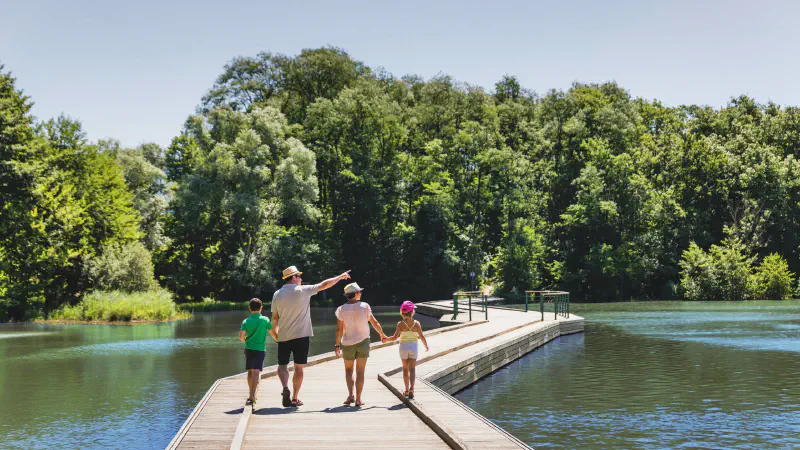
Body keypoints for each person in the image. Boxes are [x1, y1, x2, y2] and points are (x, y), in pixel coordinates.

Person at [271, 265, 351, 407]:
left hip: (283, 336)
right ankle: (295, 398)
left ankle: (285, 387)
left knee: (282, 366)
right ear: (294, 278)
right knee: (299, 368)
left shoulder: (277, 294)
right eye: (299, 276)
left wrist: (276, 336)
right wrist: (340, 277)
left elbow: (275, 319)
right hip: (301, 336)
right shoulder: (303, 290)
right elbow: (324, 284)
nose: (301, 279)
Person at [334, 282, 387, 407]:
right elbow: (374, 322)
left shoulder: (341, 309)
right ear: (356, 293)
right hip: (363, 342)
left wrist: (337, 345)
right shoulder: (365, 306)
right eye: (360, 292)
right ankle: (358, 399)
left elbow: (339, 330)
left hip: (347, 343)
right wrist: (382, 334)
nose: (361, 293)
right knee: (360, 371)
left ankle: (350, 395)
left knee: (348, 370)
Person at [383, 300, 429, 399]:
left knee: (405, 369)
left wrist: (386, 339)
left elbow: (395, 337)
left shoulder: (400, 324)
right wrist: (426, 345)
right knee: (412, 369)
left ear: (402, 313)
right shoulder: (416, 323)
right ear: (412, 312)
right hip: (413, 347)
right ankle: (412, 389)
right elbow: (421, 336)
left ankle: (407, 390)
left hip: (403, 347)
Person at [238, 298, 278, 408]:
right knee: (256, 372)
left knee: (250, 371)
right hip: (260, 349)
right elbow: (273, 333)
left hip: (249, 348)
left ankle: (251, 393)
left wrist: (247, 340)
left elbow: (241, 337)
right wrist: (277, 340)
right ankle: (252, 396)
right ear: (261, 308)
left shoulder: (246, 321)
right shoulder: (265, 320)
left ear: (249, 308)